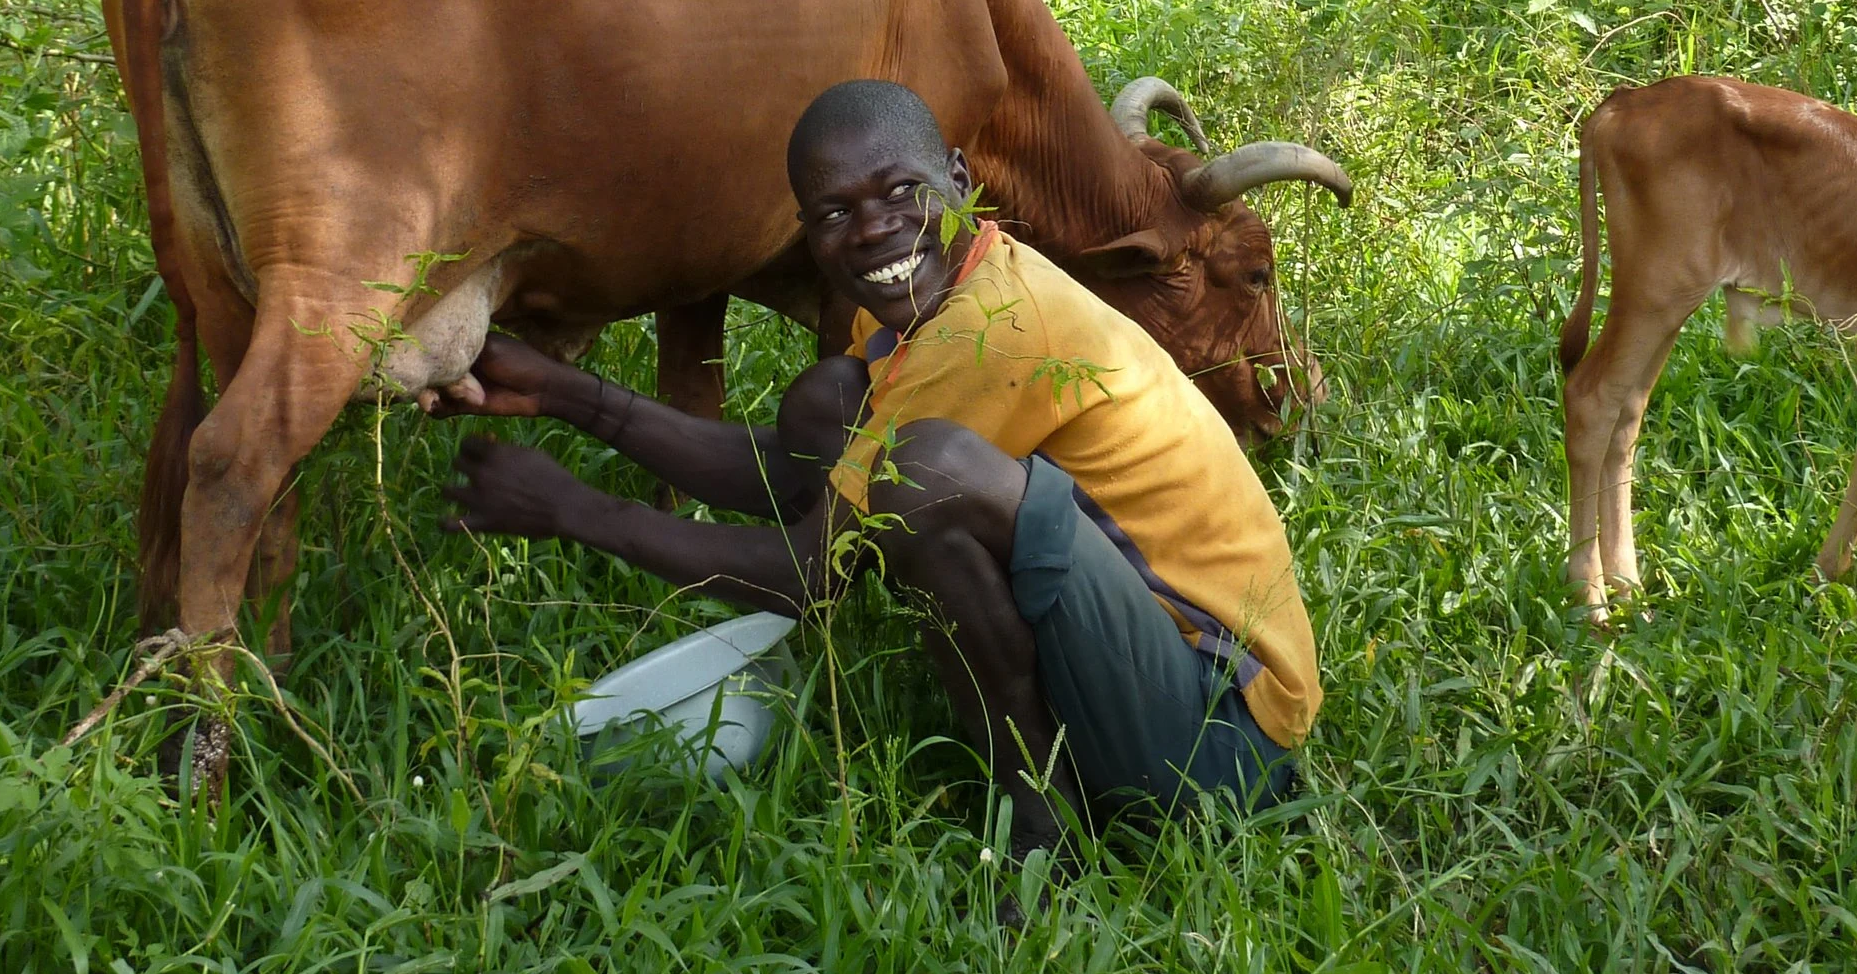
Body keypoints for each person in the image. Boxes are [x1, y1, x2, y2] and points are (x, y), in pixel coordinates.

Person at [426, 78, 1320, 855]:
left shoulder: (995, 328)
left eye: (902, 191)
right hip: (1165, 672)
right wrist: (567, 393)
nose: (875, 230)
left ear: (960, 183)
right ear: (806, 234)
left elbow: (809, 574)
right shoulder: (926, 288)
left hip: (1221, 738)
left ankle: (1041, 818)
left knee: (919, 472)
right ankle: (1048, 778)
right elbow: (793, 475)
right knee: (832, 404)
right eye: (835, 213)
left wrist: (576, 510)